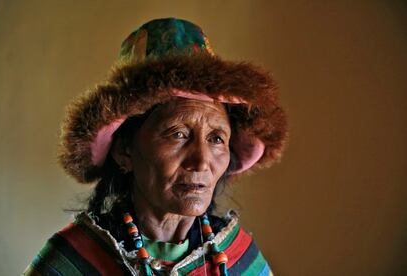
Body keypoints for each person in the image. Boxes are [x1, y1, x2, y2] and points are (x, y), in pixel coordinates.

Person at [23, 18, 287, 276]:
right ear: (125, 151)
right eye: (178, 134)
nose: (202, 160)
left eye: (217, 138)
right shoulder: (75, 260)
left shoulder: (238, 257)